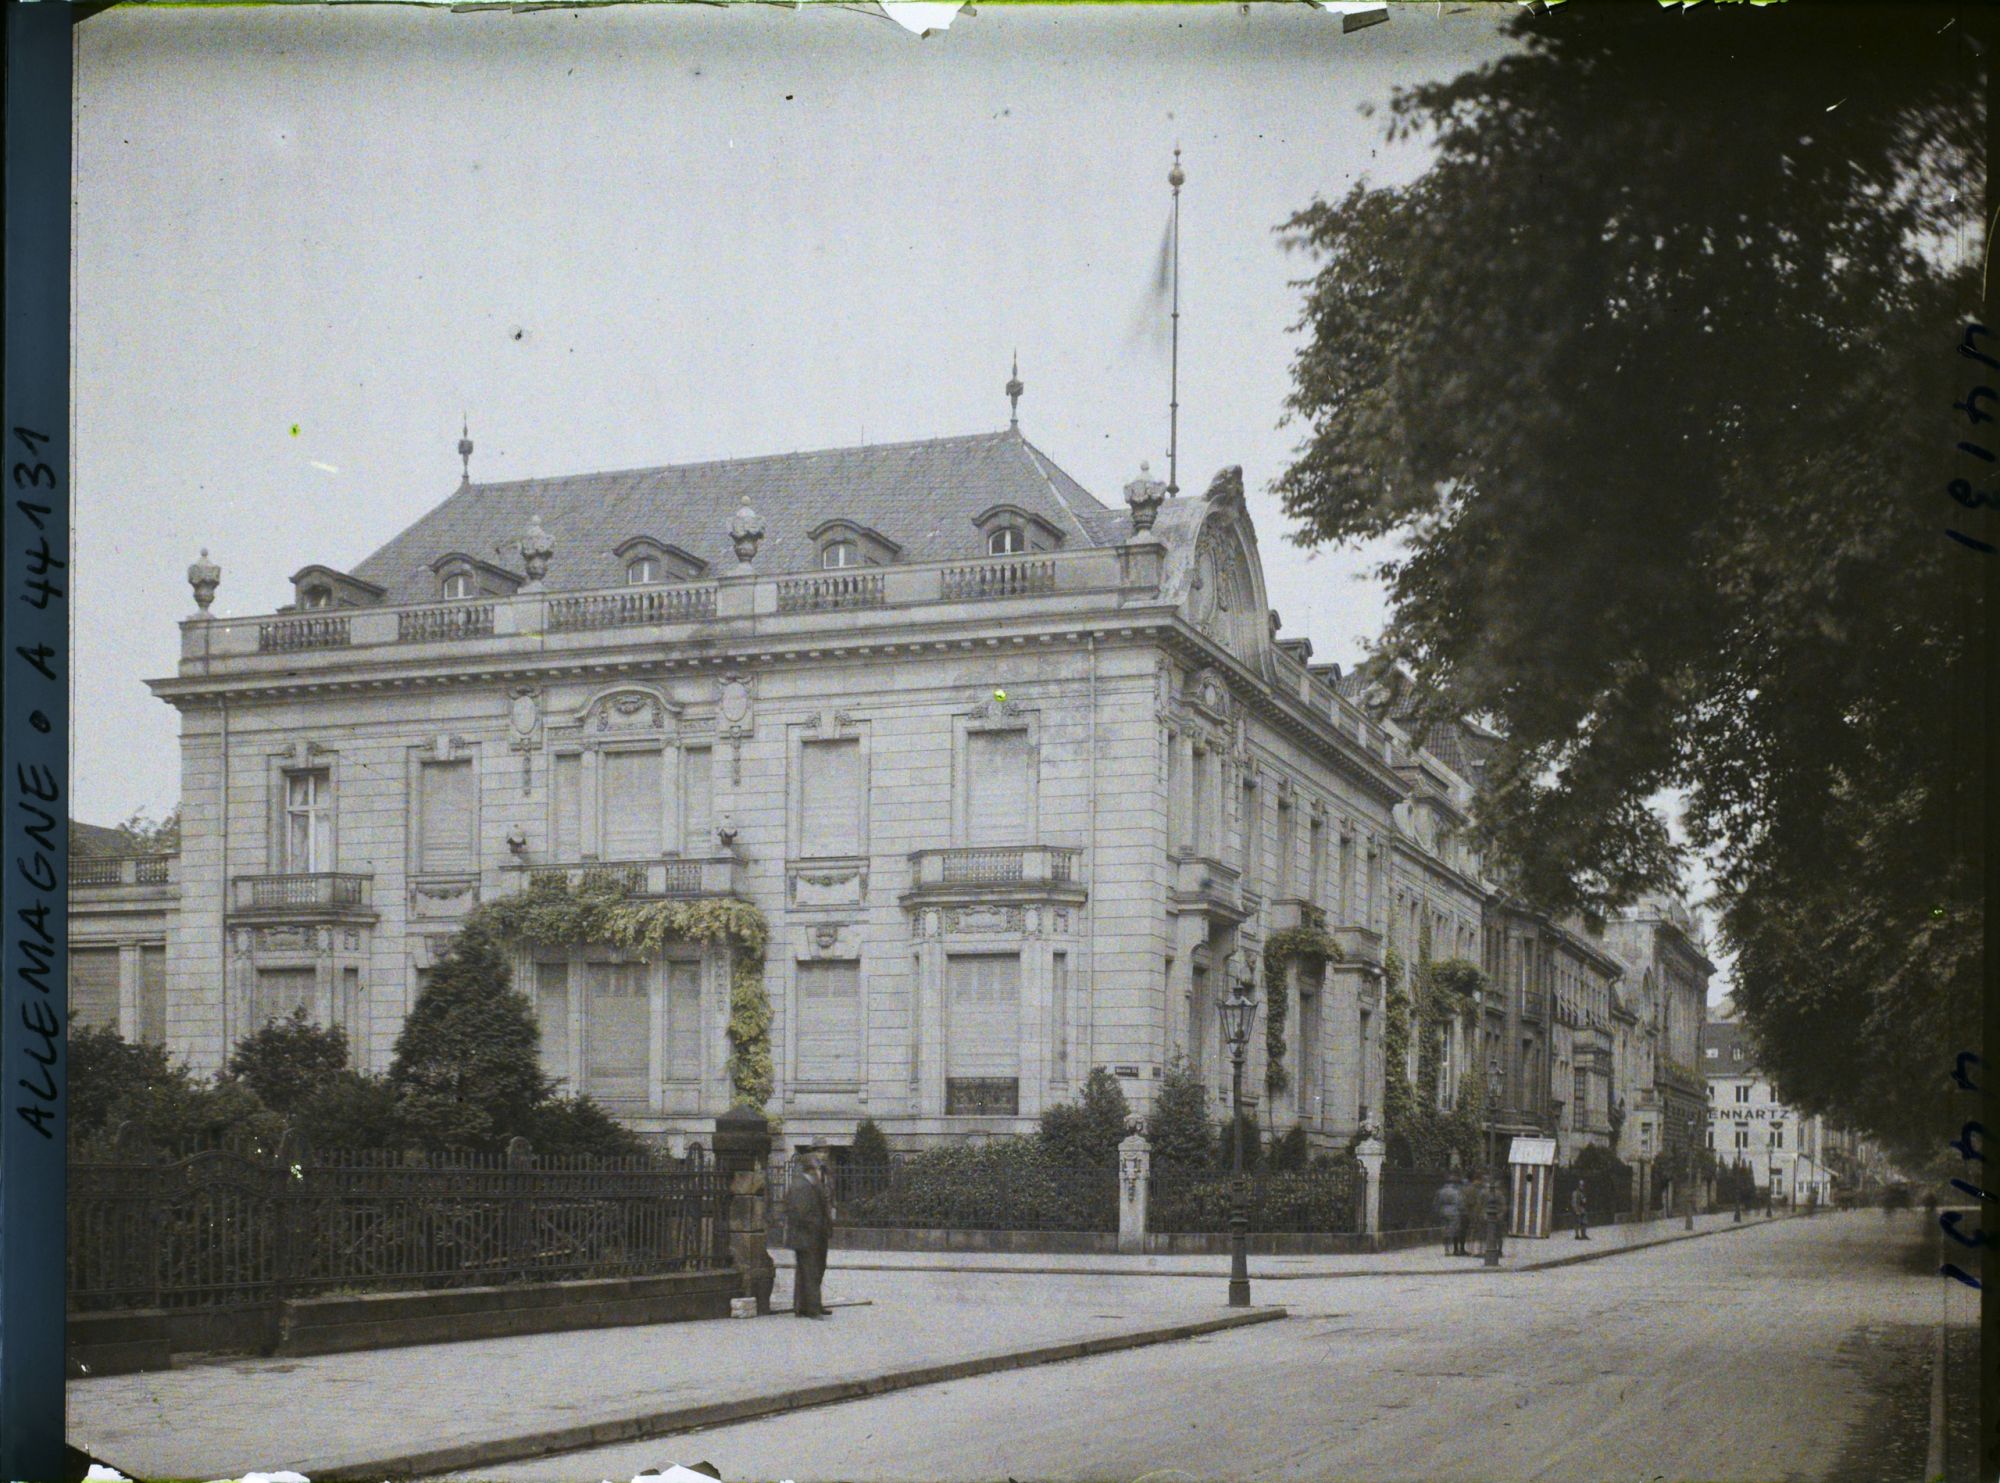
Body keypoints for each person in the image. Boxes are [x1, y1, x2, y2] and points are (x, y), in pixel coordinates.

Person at [786, 1152, 835, 1319]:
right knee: (809, 1271)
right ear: (811, 1168)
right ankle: (811, 1309)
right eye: (817, 1167)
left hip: (815, 1235)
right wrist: (816, 1226)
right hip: (806, 1236)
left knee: (812, 1271)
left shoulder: (813, 1183)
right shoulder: (801, 1185)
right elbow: (802, 1214)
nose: (820, 1170)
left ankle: (806, 1306)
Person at [1433, 1176, 1463, 1257]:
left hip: (1443, 1210)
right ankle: (1455, 1249)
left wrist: (1437, 1211)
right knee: (1455, 1230)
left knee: (1445, 1229)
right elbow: (1460, 1203)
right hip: (1454, 1211)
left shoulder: (1440, 1191)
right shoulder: (1456, 1192)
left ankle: (1446, 1248)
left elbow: (1436, 1203)